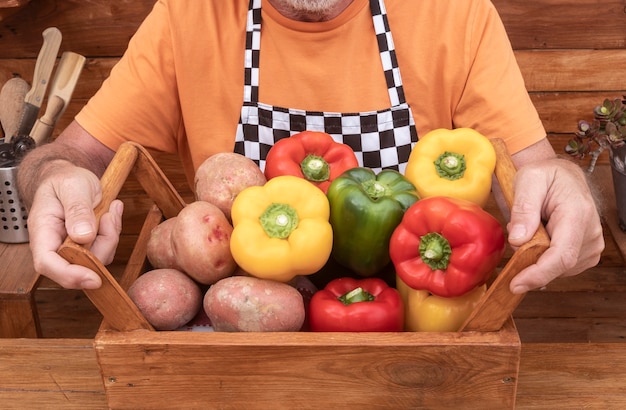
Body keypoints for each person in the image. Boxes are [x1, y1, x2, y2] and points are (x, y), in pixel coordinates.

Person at [17, 0, 603, 293]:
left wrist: (567, 186)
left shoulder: (454, 13)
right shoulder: (189, 15)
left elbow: (537, 173)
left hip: (415, 330)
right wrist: (51, 180)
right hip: (233, 351)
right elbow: (66, 157)